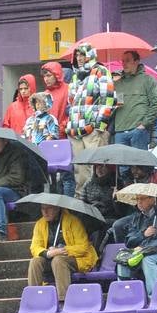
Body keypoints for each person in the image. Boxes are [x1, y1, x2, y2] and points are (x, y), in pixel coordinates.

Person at [64, 43, 117, 197]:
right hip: (75, 129)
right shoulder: (75, 76)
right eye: (77, 56)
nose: (79, 58)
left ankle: (96, 200)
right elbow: (71, 102)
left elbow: (109, 99)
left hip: (93, 129)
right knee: (79, 169)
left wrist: (99, 125)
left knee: (97, 167)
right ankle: (81, 199)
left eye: (82, 55)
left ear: (90, 55)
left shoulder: (101, 71)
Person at [28, 202, 99, 302]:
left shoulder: (73, 221)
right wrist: (47, 253)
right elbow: (34, 247)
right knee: (35, 261)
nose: (45, 212)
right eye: (43, 209)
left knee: (58, 260)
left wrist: (61, 251)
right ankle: (34, 298)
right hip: (50, 257)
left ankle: (64, 299)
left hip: (76, 258)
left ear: (57, 209)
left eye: (49, 208)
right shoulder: (40, 224)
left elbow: (83, 247)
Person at [114, 192, 157, 296]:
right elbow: (129, 241)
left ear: (152, 199)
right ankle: (125, 296)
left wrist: (145, 248)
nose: (139, 202)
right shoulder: (137, 217)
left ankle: (153, 296)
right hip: (141, 253)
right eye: (137, 199)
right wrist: (143, 234)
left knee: (148, 260)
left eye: (142, 198)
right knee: (123, 260)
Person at [113, 49, 157, 148]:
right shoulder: (118, 83)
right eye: (122, 61)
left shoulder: (147, 80)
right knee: (121, 163)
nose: (124, 64)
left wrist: (144, 124)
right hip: (119, 131)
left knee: (139, 163)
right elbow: (116, 105)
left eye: (127, 60)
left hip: (138, 130)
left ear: (136, 61)